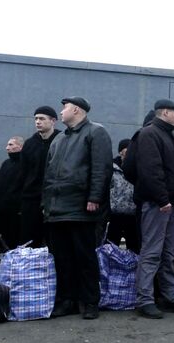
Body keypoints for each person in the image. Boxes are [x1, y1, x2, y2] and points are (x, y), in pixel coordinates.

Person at [42, 97, 112, 320]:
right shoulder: (59, 139)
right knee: (62, 259)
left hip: (81, 208)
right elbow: (49, 173)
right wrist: (46, 204)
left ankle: (90, 301)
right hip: (57, 210)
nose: (61, 112)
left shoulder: (95, 132)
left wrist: (94, 197)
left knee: (85, 258)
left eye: (64, 108)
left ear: (76, 110)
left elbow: (102, 168)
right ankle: (67, 300)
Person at [130, 99, 174, 318]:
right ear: (165, 112)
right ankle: (145, 300)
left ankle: (171, 296)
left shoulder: (172, 137)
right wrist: (162, 199)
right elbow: (150, 170)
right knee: (152, 252)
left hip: (171, 205)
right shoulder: (149, 134)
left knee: (168, 253)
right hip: (158, 204)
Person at [20, 106, 61, 246]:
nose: (38, 121)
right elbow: (22, 172)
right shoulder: (30, 144)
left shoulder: (62, 140)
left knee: (54, 241)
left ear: (53, 121)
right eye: (36, 118)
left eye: (42, 118)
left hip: (54, 198)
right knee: (29, 241)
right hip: (31, 199)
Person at [0, 136, 24, 251]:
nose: (7, 148)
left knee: (11, 242)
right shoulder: (6, 164)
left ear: (20, 146)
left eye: (11, 145)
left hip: (14, 213)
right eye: (7, 145)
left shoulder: (25, 165)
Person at [106, 139, 139, 253]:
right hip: (115, 215)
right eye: (127, 149)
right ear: (121, 152)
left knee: (134, 248)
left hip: (133, 215)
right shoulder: (111, 168)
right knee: (110, 247)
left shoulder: (138, 168)